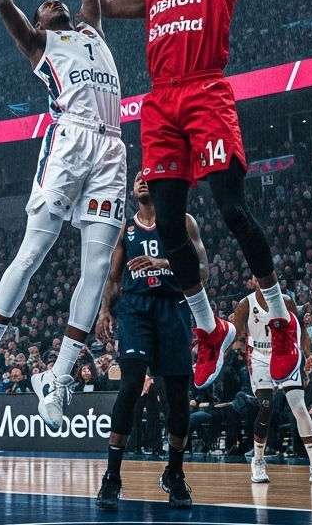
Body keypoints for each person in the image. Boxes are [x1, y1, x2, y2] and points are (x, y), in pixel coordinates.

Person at [85, 0, 312, 389]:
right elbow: (103, 5)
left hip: (205, 91)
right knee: (167, 225)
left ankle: (279, 316)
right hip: (160, 101)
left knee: (230, 208)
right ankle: (209, 328)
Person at [0, 0, 126, 429]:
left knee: (97, 269)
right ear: (38, 22)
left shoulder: (90, 31)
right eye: (45, 6)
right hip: (69, 141)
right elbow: (2, 1)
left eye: (60, 1)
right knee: (34, 251)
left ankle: (57, 378)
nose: (54, 3)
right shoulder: (40, 43)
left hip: (112, 146)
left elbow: (91, 4)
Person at [95, 172, 205, 511]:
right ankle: (112, 476)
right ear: (133, 190)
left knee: (178, 401)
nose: (142, 180)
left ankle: (174, 473)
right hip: (135, 310)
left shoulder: (182, 221)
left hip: (172, 308)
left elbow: (202, 270)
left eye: (147, 176)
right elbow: (114, 278)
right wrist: (104, 310)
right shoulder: (125, 228)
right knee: (130, 386)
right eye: (137, 178)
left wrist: (163, 263)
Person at [231, 276, 312, 484]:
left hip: (285, 352)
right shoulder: (246, 304)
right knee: (266, 406)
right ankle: (258, 461)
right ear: (252, 281)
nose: (261, 280)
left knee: (299, 407)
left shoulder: (285, 301)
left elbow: (300, 330)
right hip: (259, 356)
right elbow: (233, 333)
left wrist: (308, 355)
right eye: (257, 277)